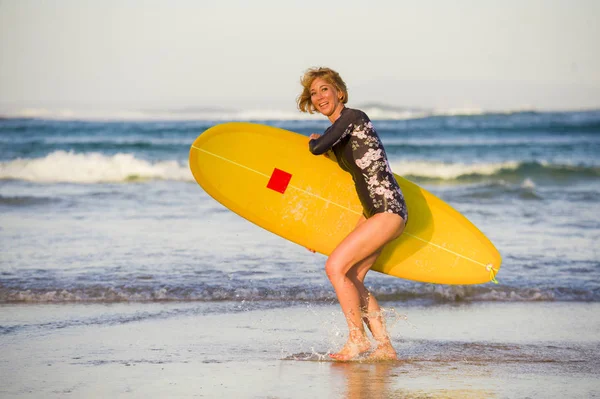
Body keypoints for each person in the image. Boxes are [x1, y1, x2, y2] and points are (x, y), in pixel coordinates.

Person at [297, 67, 408, 361]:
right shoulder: (345, 136)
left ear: (339, 92)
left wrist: (314, 142)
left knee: (334, 269)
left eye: (324, 89)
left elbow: (318, 147)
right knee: (352, 276)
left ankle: (357, 339)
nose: (319, 96)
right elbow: (342, 186)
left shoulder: (353, 118)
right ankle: (384, 346)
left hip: (386, 209)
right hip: (377, 210)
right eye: (313, 93)